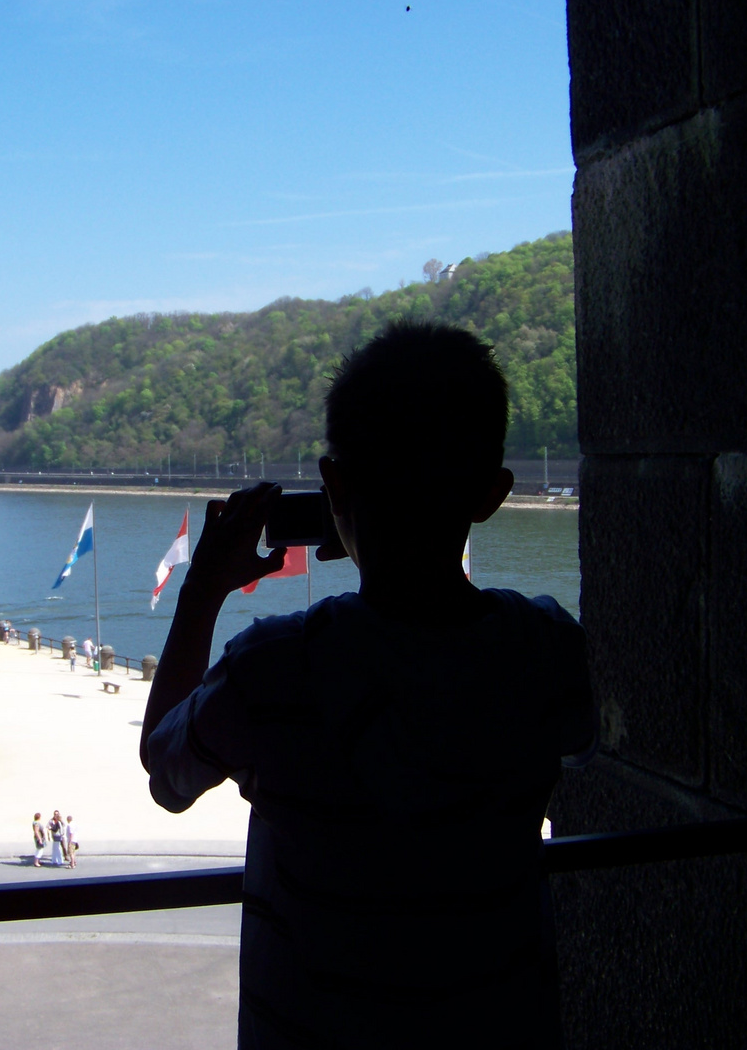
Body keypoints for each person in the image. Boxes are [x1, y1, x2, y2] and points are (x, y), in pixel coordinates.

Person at [140, 319, 596, 1049]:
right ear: (492, 494)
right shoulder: (546, 649)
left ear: (335, 488)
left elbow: (167, 773)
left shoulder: (274, 667)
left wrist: (202, 594)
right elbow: (572, 736)